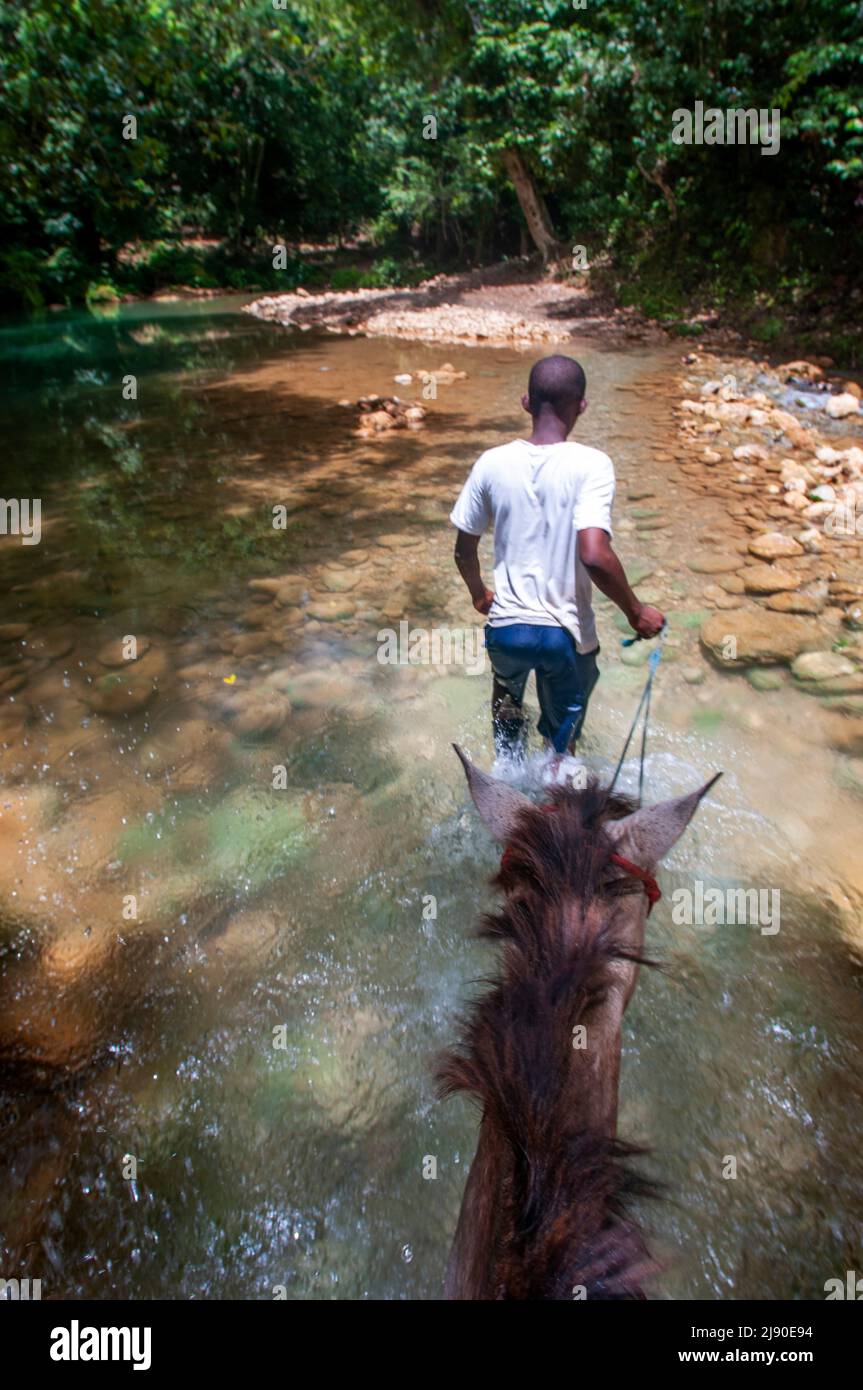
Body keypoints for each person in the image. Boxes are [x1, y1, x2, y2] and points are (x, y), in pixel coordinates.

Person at [450, 353, 664, 763]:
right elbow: (595, 557)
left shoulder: (491, 462)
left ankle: (507, 779)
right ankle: (555, 797)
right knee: (560, 752)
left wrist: (480, 596)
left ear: (526, 402)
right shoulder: (592, 464)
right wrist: (636, 612)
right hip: (563, 636)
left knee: (507, 711)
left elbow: (463, 550)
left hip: (507, 632)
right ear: (581, 405)